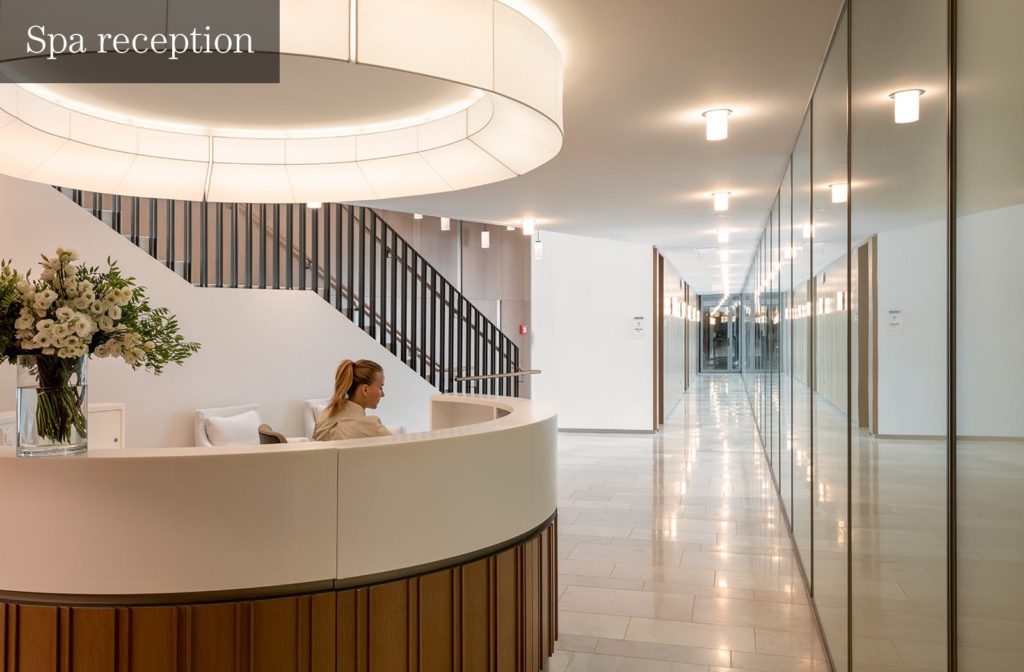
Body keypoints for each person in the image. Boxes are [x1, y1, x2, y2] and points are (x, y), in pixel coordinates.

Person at [312, 359, 392, 441]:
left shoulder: (323, 416)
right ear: (365, 390)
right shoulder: (370, 426)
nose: (382, 394)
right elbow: (400, 449)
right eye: (380, 388)